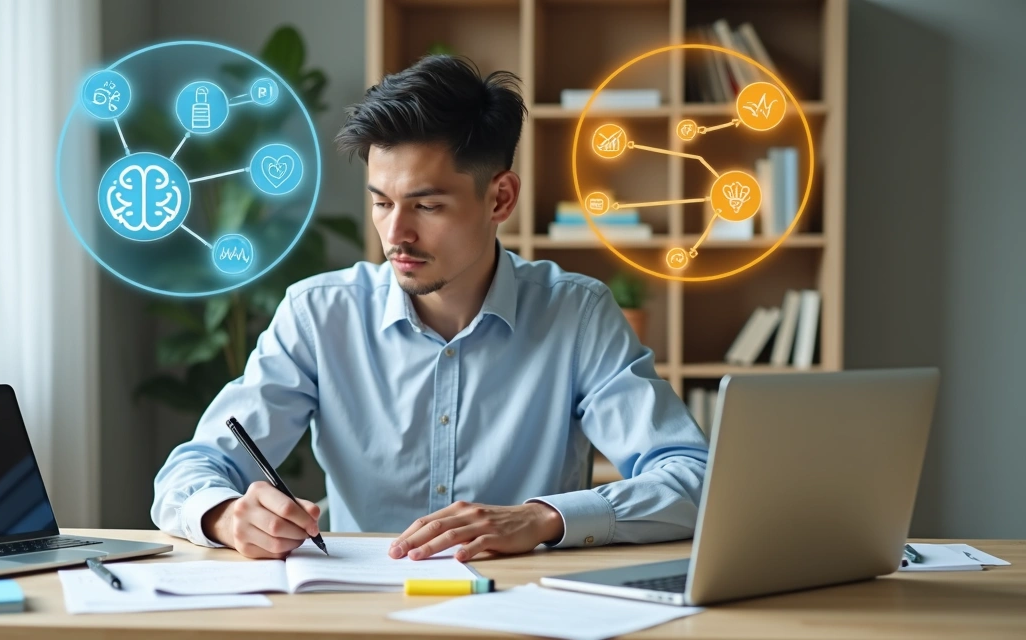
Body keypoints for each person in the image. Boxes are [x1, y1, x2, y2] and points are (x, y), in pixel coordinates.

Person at [151, 55, 708, 562]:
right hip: (355, 610)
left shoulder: (577, 314)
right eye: (382, 203)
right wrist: (225, 516)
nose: (397, 234)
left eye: (427, 205)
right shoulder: (319, 315)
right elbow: (192, 469)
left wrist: (542, 518)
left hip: (518, 606)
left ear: (501, 198)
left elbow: (692, 477)